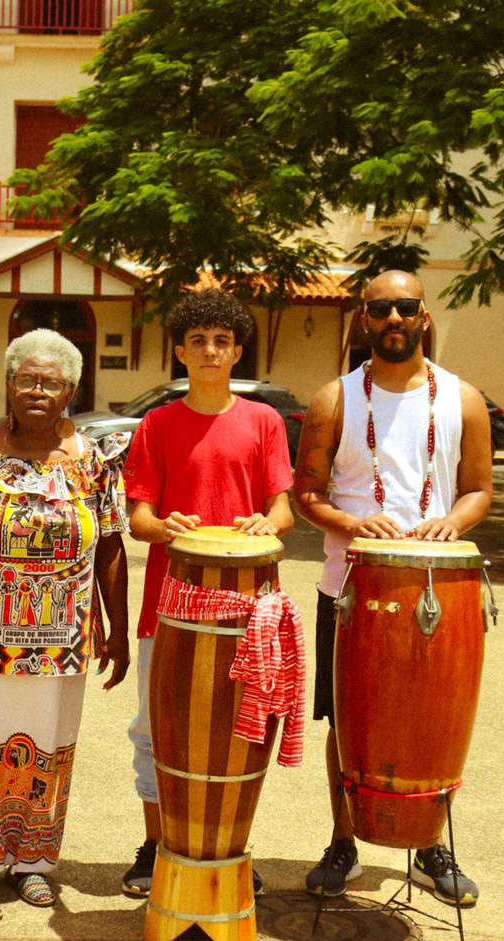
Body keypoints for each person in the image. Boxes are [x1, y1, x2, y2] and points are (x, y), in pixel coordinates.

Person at [292, 270, 494, 908]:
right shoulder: (336, 400)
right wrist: (353, 523)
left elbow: (479, 489)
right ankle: (343, 842)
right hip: (350, 586)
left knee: (435, 719)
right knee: (346, 720)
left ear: (425, 315)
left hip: (439, 591)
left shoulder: (462, 399)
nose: (394, 319)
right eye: (381, 310)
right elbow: (306, 495)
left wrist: (452, 521)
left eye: (406, 307)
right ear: (363, 320)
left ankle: (431, 845)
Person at [0, 329, 131, 921]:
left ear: (71, 391)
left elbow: (111, 546)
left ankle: (32, 859)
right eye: (26, 379)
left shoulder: (94, 460)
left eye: (51, 382)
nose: (38, 390)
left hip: (62, 639)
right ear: (7, 385)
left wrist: (117, 628)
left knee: (48, 748)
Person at [117, 288, 295, 897]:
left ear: (237, 350)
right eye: (199, 342)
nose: (211, 351)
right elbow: (138, 518)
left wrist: (266, 523)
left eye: (222, 341)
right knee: (155, 730)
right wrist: (166, 525)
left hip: (249, 609)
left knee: (241, 730)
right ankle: (154, 844)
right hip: (171, 607)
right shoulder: (158, 424)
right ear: (180, 352)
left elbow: (282, 509)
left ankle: (230, 846)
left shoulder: (264, 422)